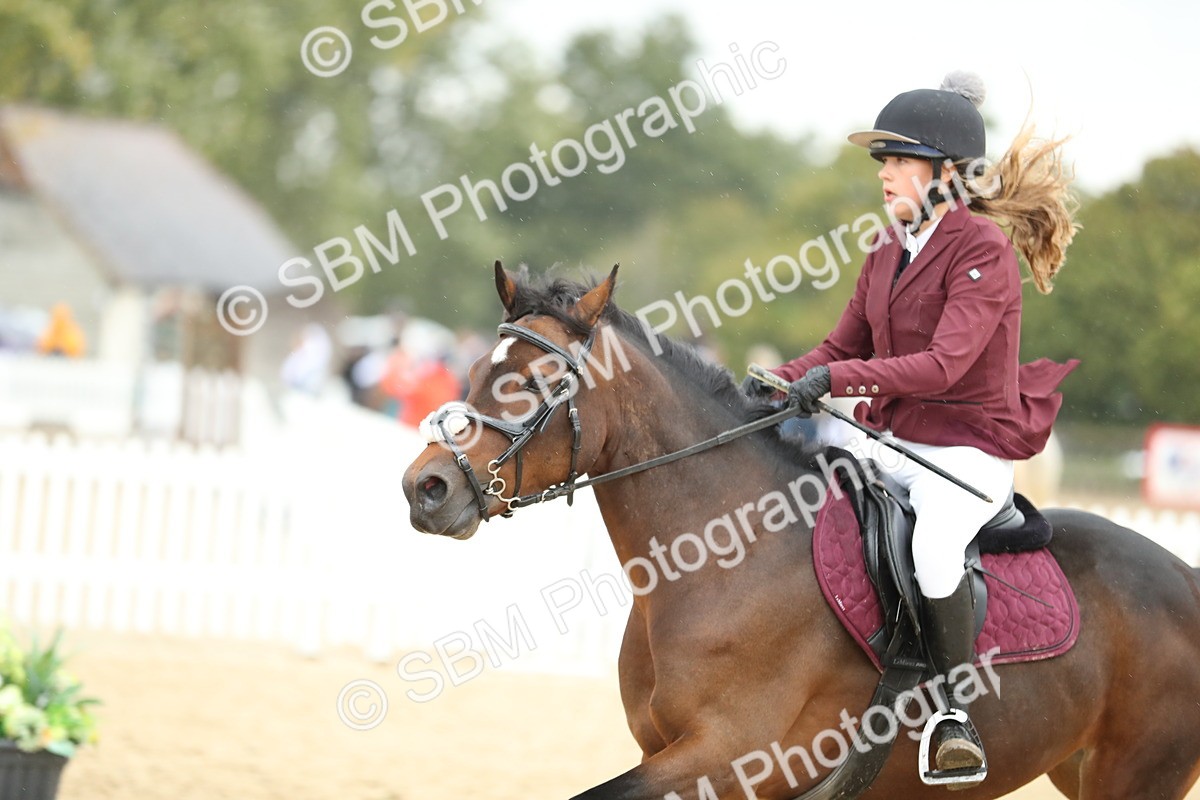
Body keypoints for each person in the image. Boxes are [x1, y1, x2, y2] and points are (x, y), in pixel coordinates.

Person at [743, 71, 1079, 785]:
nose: (886, 173)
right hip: (891, 440)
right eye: (884, 162)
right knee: (805, 502)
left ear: (946, 173)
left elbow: (944, 367)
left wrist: (831, 382)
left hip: (967, 450)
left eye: (899, 160)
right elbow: (841, 346)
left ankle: (953, 715)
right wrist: (778, 382)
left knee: (932, 547)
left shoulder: (982, 249)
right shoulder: (886, 245)